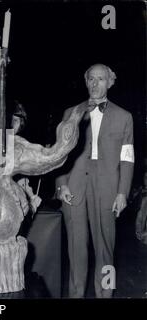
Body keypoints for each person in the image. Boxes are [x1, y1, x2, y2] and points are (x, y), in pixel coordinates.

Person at [56, 63, 134, 298]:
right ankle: (75, 294)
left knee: (106, 251)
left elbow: (127, 159)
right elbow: (59, 153)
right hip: (74, 187)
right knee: (75, 250)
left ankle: (106, 294)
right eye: (91, 78)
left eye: (100, 79)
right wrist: (61, 185)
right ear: (85, 81)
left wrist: (122, 193)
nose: (94, 83)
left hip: (108, 189)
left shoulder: (124, 117)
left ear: (110, 82)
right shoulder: (71, 113)